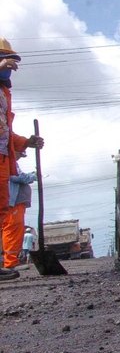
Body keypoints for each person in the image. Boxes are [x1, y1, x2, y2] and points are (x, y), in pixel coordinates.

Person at [0, 38, 44, 281]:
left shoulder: (3, 94)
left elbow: (5, 132)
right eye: (5, 60)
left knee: (1, 211)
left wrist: (27, 142)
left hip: (2, 159)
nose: (9, 66)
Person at [3, 151, 35, 270]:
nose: (19, 158)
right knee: (12, 230)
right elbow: (17, 176)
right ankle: (10, 263)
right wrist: (32, 176)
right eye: (19, 155)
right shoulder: (7, 161)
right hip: (13, 203)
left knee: (14, 230)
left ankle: (11, 261)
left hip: (16, 203)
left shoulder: (9, 161)